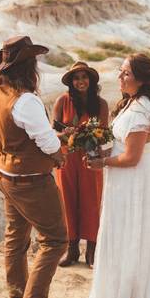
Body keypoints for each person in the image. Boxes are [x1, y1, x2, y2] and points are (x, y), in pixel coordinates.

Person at [0, 35, 70, 298]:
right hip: (31, 180)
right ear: (28, 66)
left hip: (6, 174)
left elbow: (18, 135)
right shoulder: (26, 100)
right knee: (55, 240)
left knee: (16, 238)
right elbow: (44, 141)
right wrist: (59, 155)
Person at [82, 53, 150, 298]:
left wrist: (102, 162)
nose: (119, 77)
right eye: (120, 72)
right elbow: (124, 147)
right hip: (125, 180)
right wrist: (101, 150)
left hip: (132, 183)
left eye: (125, 73)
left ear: (142, 79)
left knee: (126, 235)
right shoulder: (133, 104)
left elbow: (132, 158)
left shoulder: (140, 111)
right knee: (122, 234)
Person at [52, 62, 109, 268]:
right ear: (71, 82)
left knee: (91, 202)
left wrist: (88, 136)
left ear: (91, 80)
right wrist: (66, 134)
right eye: (76, 78)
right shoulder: (62, 101)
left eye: (84, 77)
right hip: (66, 159)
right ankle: (72, 250)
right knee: (67, 202)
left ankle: (92, 253)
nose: (80, 81)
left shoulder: (101, 104)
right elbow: (53, 133)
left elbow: (103, 135)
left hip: (90, 159)